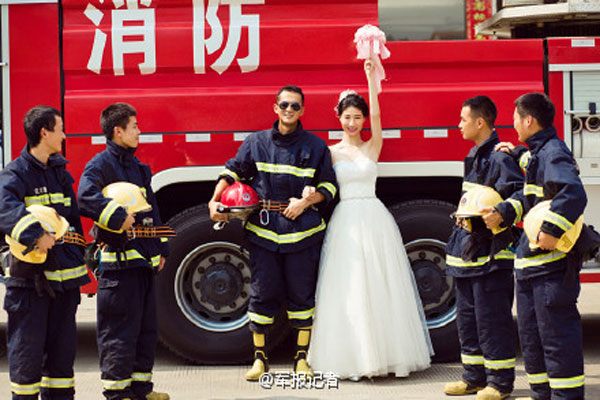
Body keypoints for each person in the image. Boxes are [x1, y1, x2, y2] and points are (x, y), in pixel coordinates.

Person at [307, 59, 432, 380]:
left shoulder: (372, 146)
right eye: (347, 117)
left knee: (380, 285)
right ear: (338, 118)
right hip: (346, 219)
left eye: (357, 117)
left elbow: (378, 117)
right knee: (349, 286)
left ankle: (386, 356)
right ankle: (353, 358)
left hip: (374, 219)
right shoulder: (330, 152)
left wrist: (370, 79)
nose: (352, 122)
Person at [208, 85, 337, 381]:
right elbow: (232, 173)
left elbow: (330, 186)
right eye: (284, 105)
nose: (289, 110)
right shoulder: (255, 143)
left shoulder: (316, 147)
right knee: (262, 295)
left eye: (295, 106)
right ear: (275, 108)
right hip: (264, 233)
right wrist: (215, 199)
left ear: (302, 111)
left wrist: (306, 202)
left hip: (302, 233)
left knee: (302, 297)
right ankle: (260, 361)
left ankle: (301, 360)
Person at [483, 92, 586, 400]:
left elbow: (573, 193)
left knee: (556, 338)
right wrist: (503, 211)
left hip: (550, 268)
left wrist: (553, 230)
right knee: (532, 339)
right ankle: (542, 394)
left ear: (528, 120)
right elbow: (533, 195)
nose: (513, 124)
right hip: (530, 268)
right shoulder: (539, 152)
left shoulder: (553, 152)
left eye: (515, 118)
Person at [78, 103, 170, 400]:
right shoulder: (100, 166)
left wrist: (161, 246)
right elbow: (85, 197)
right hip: (118, 269)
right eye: (134, 126)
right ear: (118, 131)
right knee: (119, 334)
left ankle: (141, 390)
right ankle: (117, 394)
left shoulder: (137, 167)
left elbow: (151, 211)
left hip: (142, 264)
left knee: (146, 332)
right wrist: (117, 217)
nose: (139, 131)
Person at [0, 106, 90, 399]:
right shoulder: (15, 174)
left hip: (63, 288)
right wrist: (36, 235)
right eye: (60, 129)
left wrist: (83, 257)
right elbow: (4, 210)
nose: (64, 135)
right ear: (44, 133)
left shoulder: (59, 173)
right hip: (30, 287)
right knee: (27, 365)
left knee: (62, 369)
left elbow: (72, 222)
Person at [443, 96, 524, 400]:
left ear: (480, 122)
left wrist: (501, 213)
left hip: (491, 256)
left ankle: (500, 383)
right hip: (468, 254)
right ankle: (473, 377)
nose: (458, 124)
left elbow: (518, 195)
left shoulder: (500, 158)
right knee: (468, 320)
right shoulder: (474, 155)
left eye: (463, 119)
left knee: (492, 321)